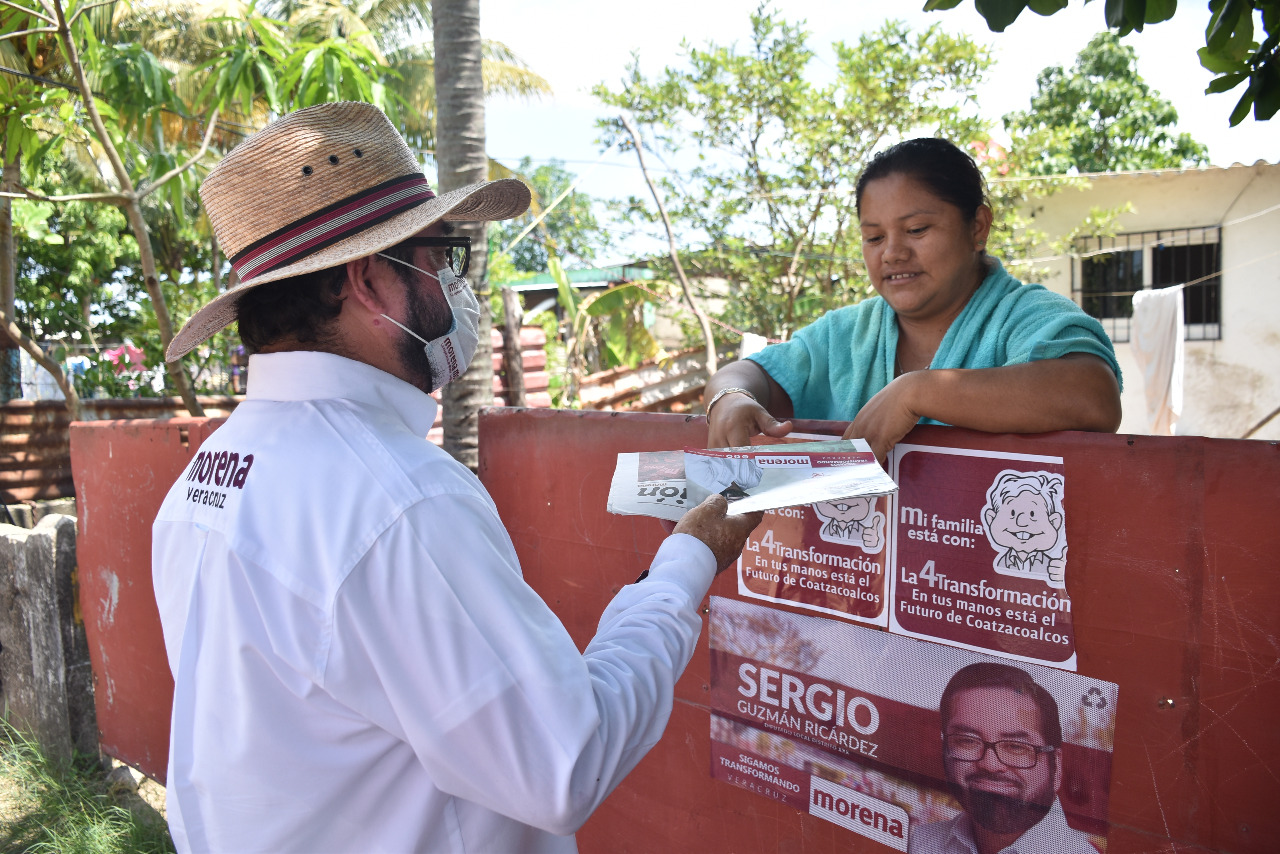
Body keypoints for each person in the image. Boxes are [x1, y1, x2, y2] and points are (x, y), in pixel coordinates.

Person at [151, 101, 762, 854]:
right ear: (371, 281)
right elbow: (563, 762)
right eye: (443, 258)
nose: (456, 287)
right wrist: (687, 560)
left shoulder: (202, 482)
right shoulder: (399, 501)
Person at [703, 138, 1123, 461]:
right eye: (874, 237)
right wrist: (731, 398)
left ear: (978, 227)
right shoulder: (846, 334)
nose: (892, 252)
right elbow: (747, 374)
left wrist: (919, 392)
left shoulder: (1026, 316)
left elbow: (1093, 395)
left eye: (918, 230)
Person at [907, 662, 1096, 854]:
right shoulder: (919, 842)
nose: (990, 764)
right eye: (967, 741)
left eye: (1016, 746)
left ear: (1055, 766)